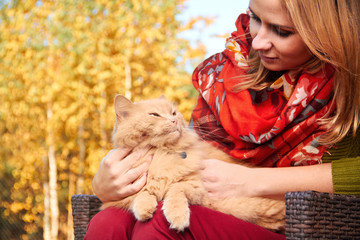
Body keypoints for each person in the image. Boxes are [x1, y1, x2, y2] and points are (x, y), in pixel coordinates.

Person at [85, 0, 360, 239]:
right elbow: (183, 156)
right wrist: (104, 186)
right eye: (255, 17)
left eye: (282, 31)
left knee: (163, 225)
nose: (260, 41)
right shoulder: (222, 74)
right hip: (211, 202)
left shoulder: (351, 83)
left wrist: (252, 181)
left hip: (299, 224)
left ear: (329, 33)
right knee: (108, 223)